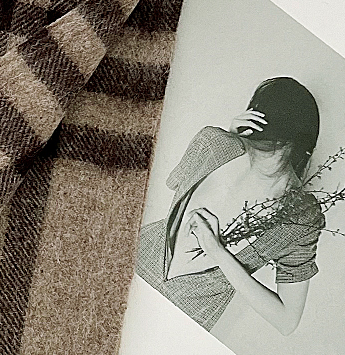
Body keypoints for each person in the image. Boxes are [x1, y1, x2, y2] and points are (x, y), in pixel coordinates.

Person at [136, 77, 325, 334]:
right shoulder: (214, 142)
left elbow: (286, 321)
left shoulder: (302, 216)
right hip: (138, 259)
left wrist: (218, 252)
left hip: (185, 314)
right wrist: (229, 138)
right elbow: (175, 185)